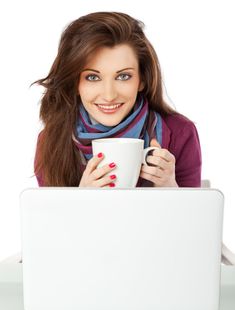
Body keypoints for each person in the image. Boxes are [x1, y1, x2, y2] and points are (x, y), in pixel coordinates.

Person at [32, 11, 202, 188]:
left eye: (123, 76)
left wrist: (171, 189)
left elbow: (197, 215)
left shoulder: (181, 132)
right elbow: (49, 215)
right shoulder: (51, 141)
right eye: (92, 77)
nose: (109, 95)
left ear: (142, 79)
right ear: (75, 83)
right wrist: (81, 199)